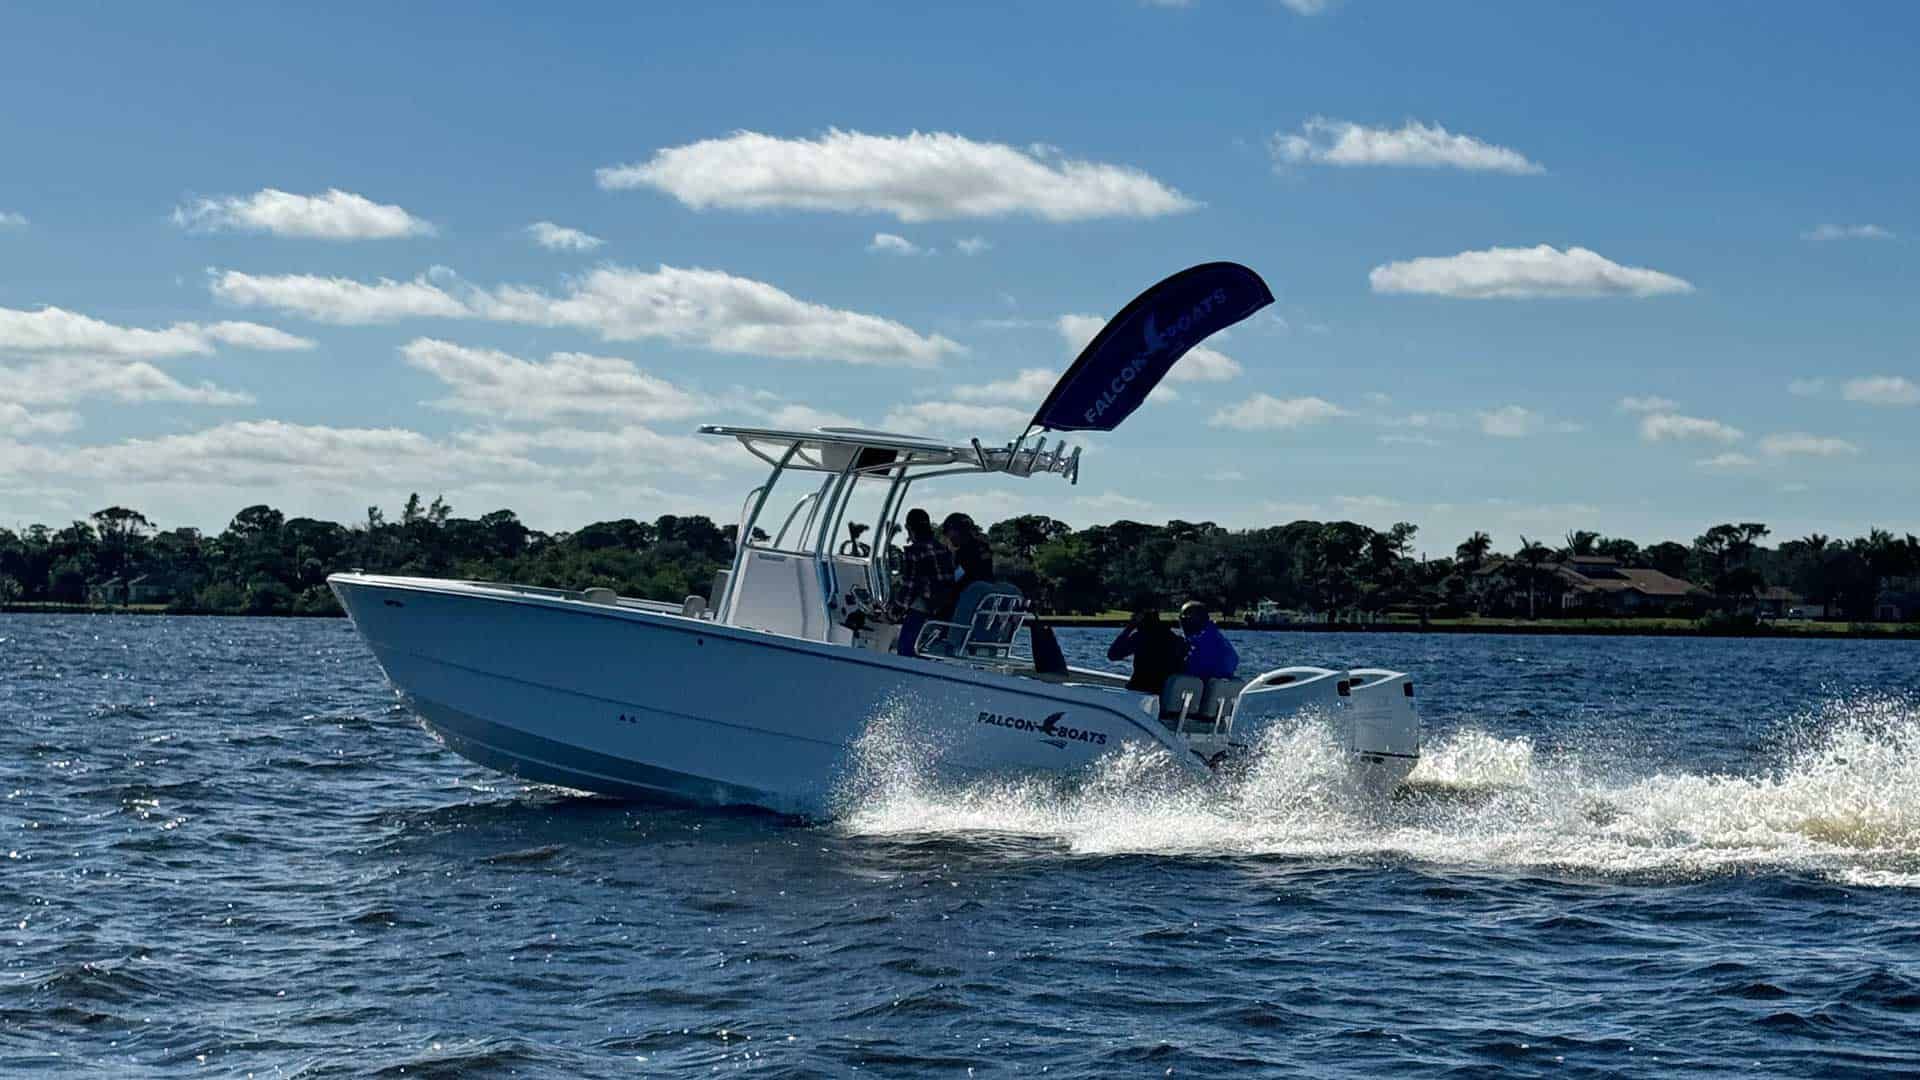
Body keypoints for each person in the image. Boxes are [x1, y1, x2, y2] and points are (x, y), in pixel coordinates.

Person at [892, 508, 955, 656]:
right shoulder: (944, 549)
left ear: (909, 528)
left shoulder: (915, 551)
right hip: (945, 612)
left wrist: (893, 613)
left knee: (905, 652)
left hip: (924, 611)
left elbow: (909, 589)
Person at [1107, 608, 1189, 692]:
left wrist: (1130, 627)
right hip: (1165, 690)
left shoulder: (1140, 637)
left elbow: (1112, 655)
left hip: (1141, 688)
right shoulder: (1174, 638)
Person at [1179, 601, 1239, 679]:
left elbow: (1189, 668)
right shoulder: (1219, 639)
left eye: (1185, 618)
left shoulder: (1198, 645)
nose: (1182, 622)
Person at [940, 512, 995, 591]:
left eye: (948, 532)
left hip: (971, 593)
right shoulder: (983, 546)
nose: (948, 537)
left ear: (958, 531)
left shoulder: (963, 552)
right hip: (986, 591)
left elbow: (956, 579)